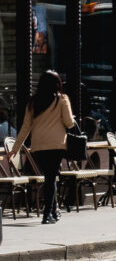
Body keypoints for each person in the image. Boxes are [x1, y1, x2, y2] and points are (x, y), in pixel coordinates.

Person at [22, 70, 75, 225]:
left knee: (50, 177)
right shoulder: (62, 99)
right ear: (57, 84)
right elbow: (69, 123)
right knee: (51, 178)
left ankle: (53, 210)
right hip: (56, 144)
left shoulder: (33, 101)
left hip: (38, 145)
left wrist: (15, 148)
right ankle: (47, 214)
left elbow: (26, 127)